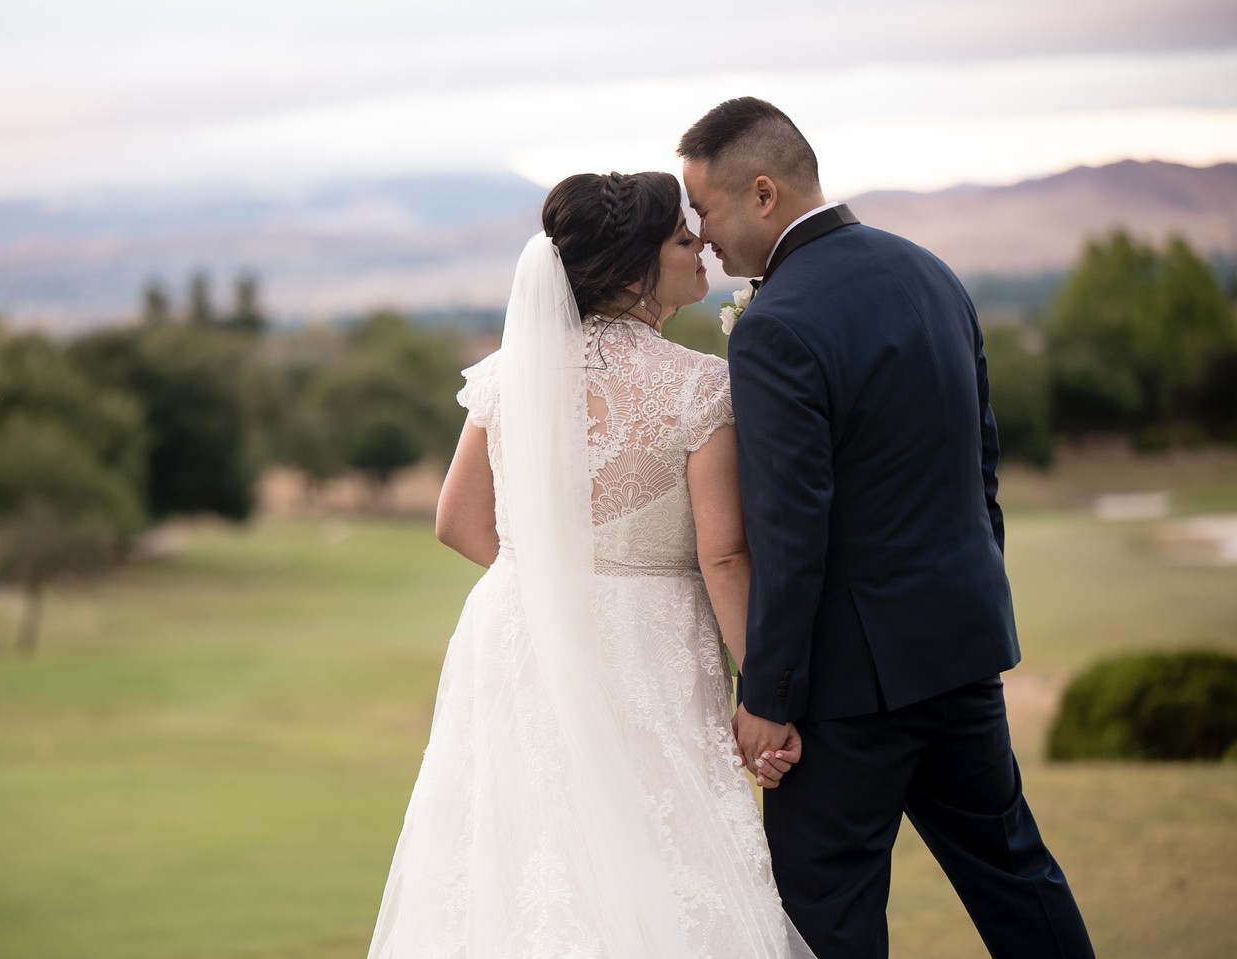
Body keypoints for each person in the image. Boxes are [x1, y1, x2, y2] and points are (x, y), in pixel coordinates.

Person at [678, 97, 1096, 959]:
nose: (702, 234)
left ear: (763, 193)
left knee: (827, 914)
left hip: (848, 692)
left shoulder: (775, 327)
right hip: (962, 647)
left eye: (706, 208)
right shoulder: (931, 273)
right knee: (1015, 874)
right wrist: (972, 604)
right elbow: (982, 467)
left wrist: (768, 694)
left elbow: (792, 532)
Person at [366, 171, 814, 958]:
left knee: (527, 850)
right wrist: (764, 695)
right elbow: (724, 552)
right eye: (682, 239)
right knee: (660, 844)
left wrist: (553, 579)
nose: (701, 245)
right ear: (636, 269)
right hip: (650, 644)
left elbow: (457, 522)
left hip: (521, 630)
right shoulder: (699, 385)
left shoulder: (512, 375)